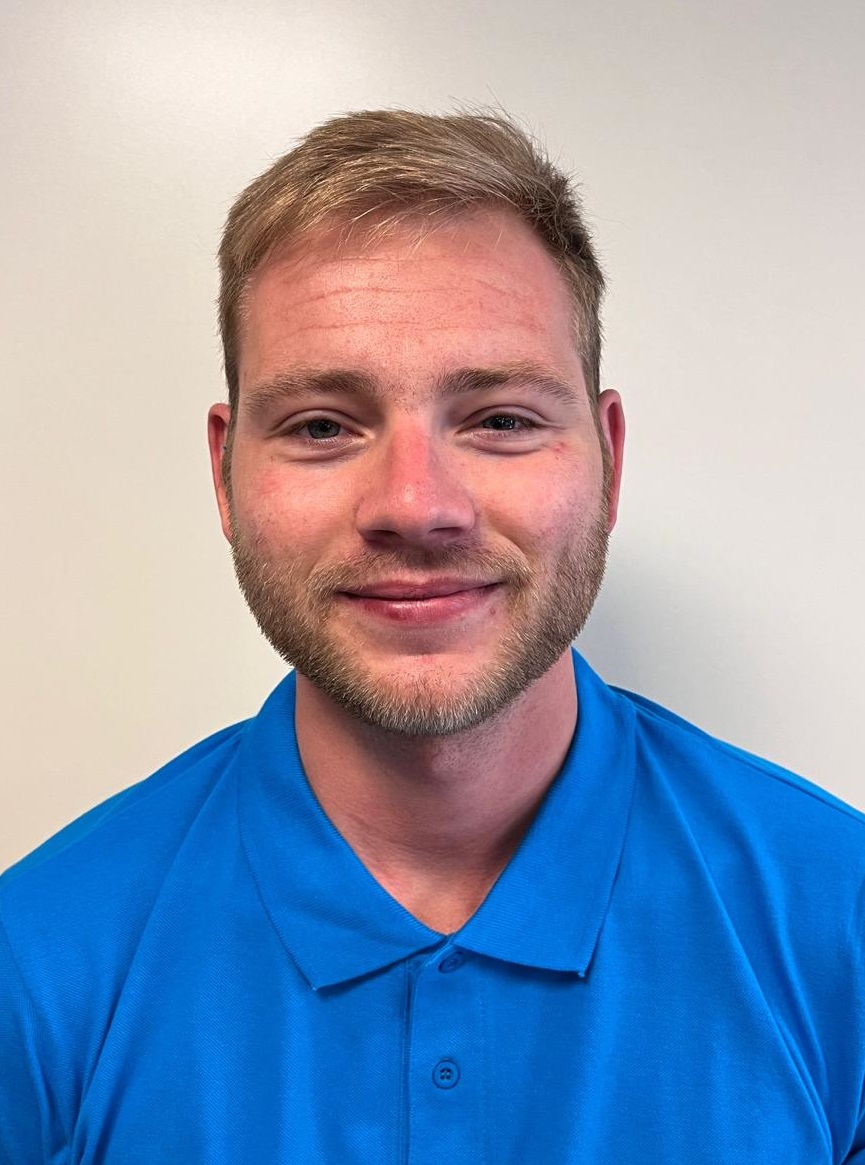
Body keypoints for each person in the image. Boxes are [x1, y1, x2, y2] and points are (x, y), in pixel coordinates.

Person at [1, 109, 864, 1165]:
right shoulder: (33, 963)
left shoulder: (842, 922)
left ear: (607, 461)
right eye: (323, 425)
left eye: (500, 418)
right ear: (225, 475)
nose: (416, 505)